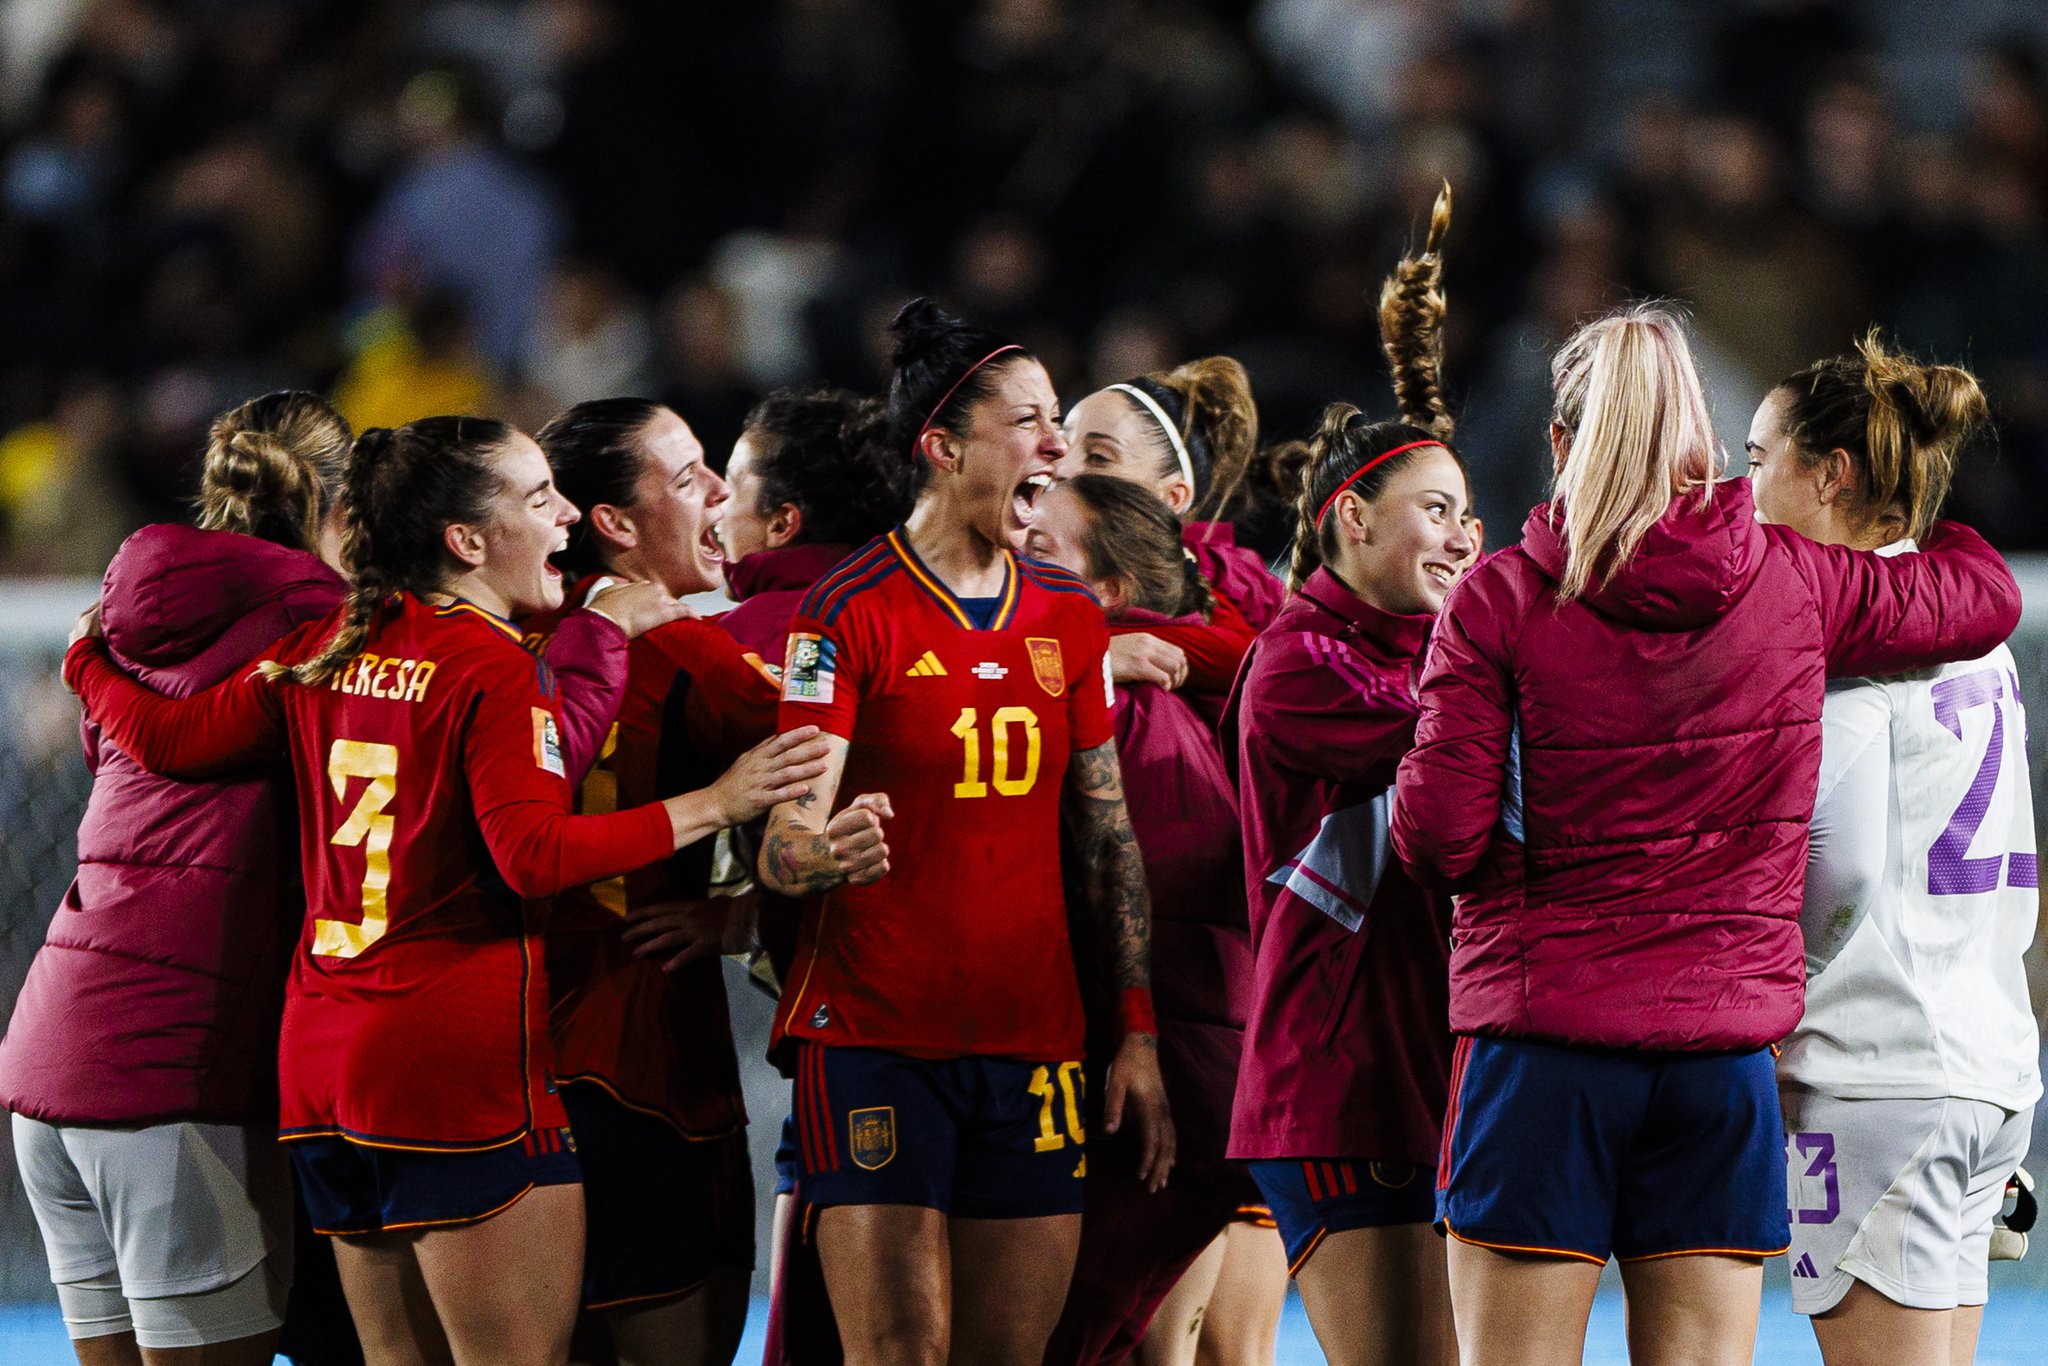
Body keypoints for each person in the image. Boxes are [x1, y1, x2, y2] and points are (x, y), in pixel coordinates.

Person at [62, 414, 831, 1366]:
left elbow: (176, 739)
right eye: (539, 499)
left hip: (323, 1069)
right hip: (450, 1065)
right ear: (465, 541)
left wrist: (87, 664)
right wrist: (716, 803)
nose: (564, 520)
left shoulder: (326, 641)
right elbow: (534, 854)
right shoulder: (490, 666)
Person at [1391, 303, 2024, 1366]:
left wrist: (1517, 870)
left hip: (1543, 1046)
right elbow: (1980, 594)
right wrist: (1929, 506)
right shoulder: (1792, 582)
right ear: (1695, 439)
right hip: (1719, 1062)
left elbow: (1435, 842)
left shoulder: (1497, 599)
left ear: (1560, 444)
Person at [756, 298, 1173, 1366]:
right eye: (1025, 420)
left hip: (1034, 1046)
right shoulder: (841, 616)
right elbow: (782, 841)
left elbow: (1103, 838)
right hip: (875, 1043)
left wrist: (1131, 1027)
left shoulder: (1067, 618)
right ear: (941, 447)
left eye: (1054, 419)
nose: (1051, 442)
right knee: (897, 1351)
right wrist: (822, 851)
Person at [2, 392, 350, 1366]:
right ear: (336, 501)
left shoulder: (122, 619)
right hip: (175, 1072)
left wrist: (91, 666)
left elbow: (139, 750)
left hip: (54, 1056)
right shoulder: (327, 627)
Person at [1749, 335, 2039, 1366]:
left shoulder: (1843, 634)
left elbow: (1844, 854)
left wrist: (1777, 992)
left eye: (1755, 458)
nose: (1741, 489)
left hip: (1877, 1071)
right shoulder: (1965, 623)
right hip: (1984, 1055)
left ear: (1826, 474)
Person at [535, 398, 776, 1366]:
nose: (718, 492)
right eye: (686, 478)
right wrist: (751, 912)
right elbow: (887, 762)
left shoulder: (475, 642)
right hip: (641, 1061)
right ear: (614, 525)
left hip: (496, 1068)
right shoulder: (674, 651)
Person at [1023, 475, 1280, 1366]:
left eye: (1041, 550)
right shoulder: (1135, 696)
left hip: (1164, 1083)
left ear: (1111, 595)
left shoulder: (1140, 718)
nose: (1012, 557)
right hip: (1191, 1076)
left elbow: (1166, 906)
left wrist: (1145, 1054)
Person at [715, 386, 915, 1366]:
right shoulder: (967, 614)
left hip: (857, 1037)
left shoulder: (735, 636)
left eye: (730, 483)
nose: (712, 499)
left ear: (781, 519)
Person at [1056, 357, 1286, 701]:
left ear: (1173, 496)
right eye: (1061, 444)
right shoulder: (1027, 543)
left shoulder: (1194, 580)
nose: (1061, 468)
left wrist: (1090, 657)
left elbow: (1254, 662)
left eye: (1099, 457)